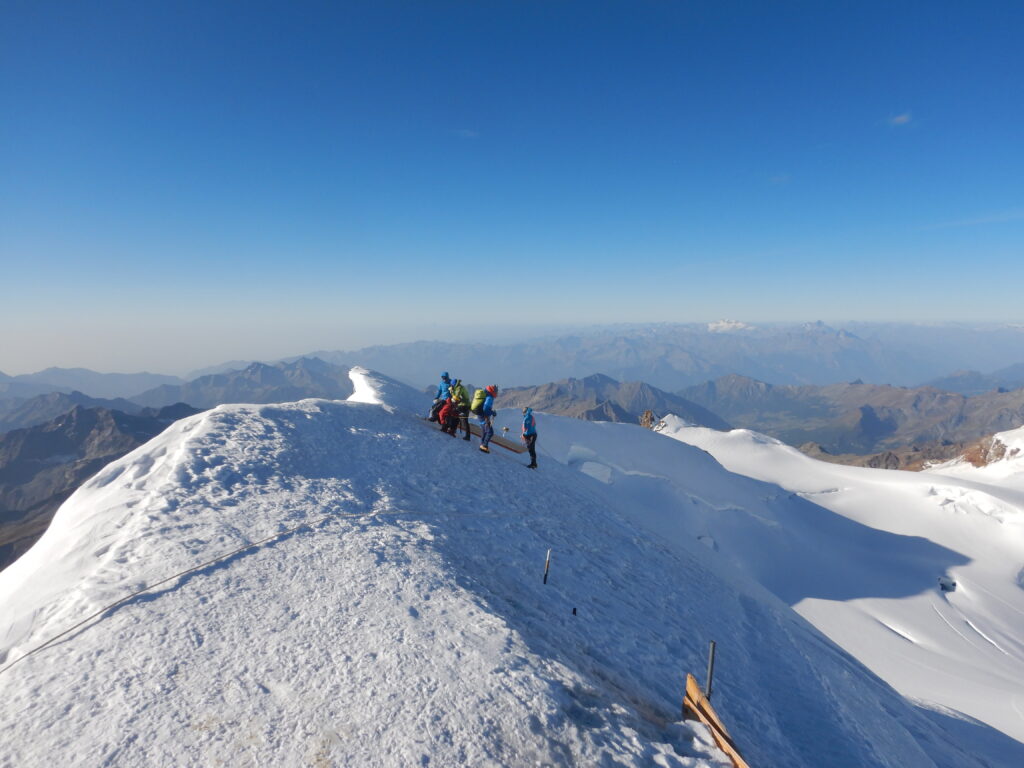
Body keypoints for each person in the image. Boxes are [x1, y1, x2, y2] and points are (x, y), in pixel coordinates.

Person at [472, 384, 498, 453]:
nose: (496, 392)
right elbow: (486, 409)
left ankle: (482, 444)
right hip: (484, 416)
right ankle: (484, 445)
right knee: (490, 432)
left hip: (480, 415)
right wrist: (492, 413)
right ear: (493, 391)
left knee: (484, 430)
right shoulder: (489, 397)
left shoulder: (485, 394)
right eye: (496, 391)